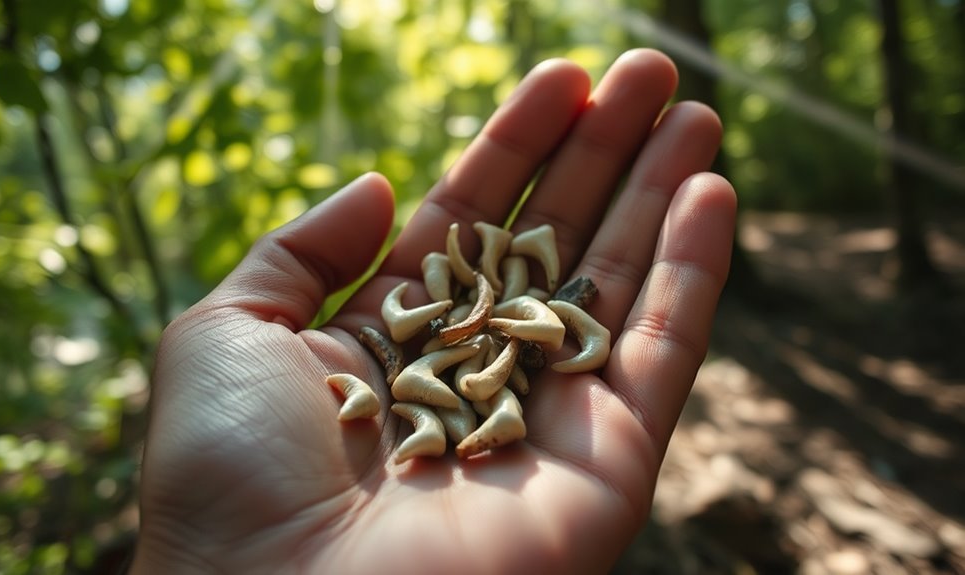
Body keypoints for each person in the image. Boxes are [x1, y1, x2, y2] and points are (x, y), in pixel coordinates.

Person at [127, 48, 736, 574]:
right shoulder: (445, 349)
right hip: (455, 361)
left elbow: (509, 342)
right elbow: (455, 354)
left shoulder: (484, 330)